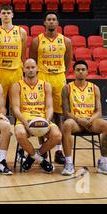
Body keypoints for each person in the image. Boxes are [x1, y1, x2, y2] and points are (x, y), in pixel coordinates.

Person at [29, 11, 72, 164]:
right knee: (42, 115)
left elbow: (68, 62)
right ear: (44, 23)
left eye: (54, 19)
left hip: (59, 78)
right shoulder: (36, 41)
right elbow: (32, 62)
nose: (52, 22)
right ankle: (44, 148)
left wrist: (61, 74)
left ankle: (59, 150)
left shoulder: (66, 41)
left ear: (57, 23)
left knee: (59, 116)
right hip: (42, 78)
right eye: (49, 19)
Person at [0, 4, 27, 164]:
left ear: (12, 14)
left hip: (16, 73)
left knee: (19, 112)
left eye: (8, 12)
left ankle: (21, 151)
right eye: (3, 13)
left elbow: (23, 54)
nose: (5, 15)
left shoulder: (21, 31)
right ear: (0, 15)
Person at [61, 60, 107, 175]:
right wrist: (78, 119)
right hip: (76, 122)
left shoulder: (94, 88)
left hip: (91, 122)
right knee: (66, 125)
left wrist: (91, 119)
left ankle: (103, 163)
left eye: (83, 70)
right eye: (78, 70)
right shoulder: (67, 88)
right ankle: (69, 163)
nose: (80, 72)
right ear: (74, 72)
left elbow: (99, 111)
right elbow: (66, 112)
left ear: (87, 72)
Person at [10, 59, 62, 173]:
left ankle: (32, 157)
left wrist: (47, 121)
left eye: (33, 67)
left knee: (57, 135)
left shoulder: (46, 85)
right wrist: (25, 122)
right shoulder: (17, 86)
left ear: (37, 68)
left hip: (42, 118)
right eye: (27, 67)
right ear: (23, 69)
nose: (30, 70)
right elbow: (15, 109)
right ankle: (41, 160)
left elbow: (49, 107)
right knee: (20, 134)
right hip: (25, 120)